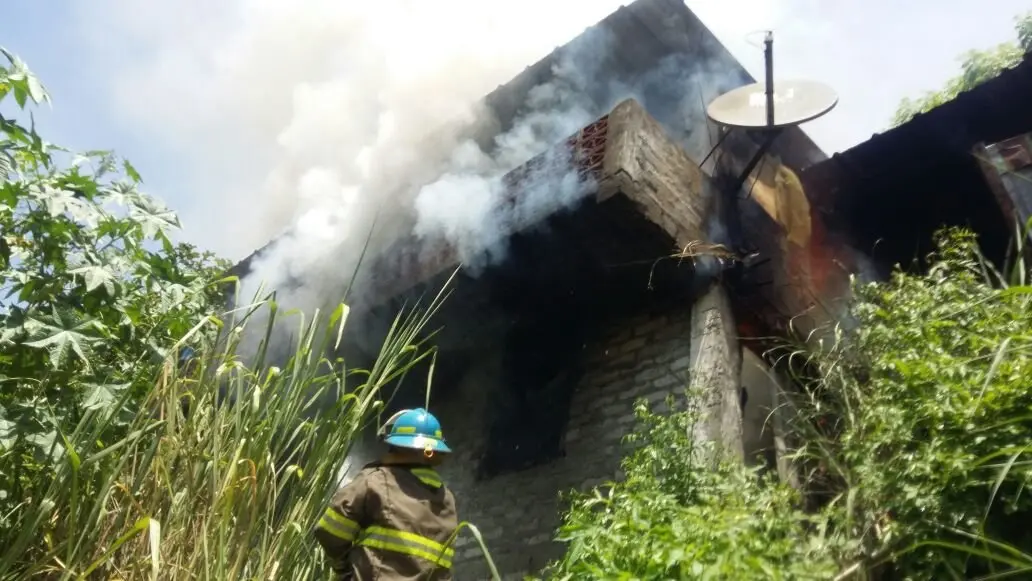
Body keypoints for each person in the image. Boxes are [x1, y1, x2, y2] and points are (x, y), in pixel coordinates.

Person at [314, 408, 459, 581]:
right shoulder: (446, 499)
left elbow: (329, 531)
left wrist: (344, 567)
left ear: (395, 445)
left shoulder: (375, 481)